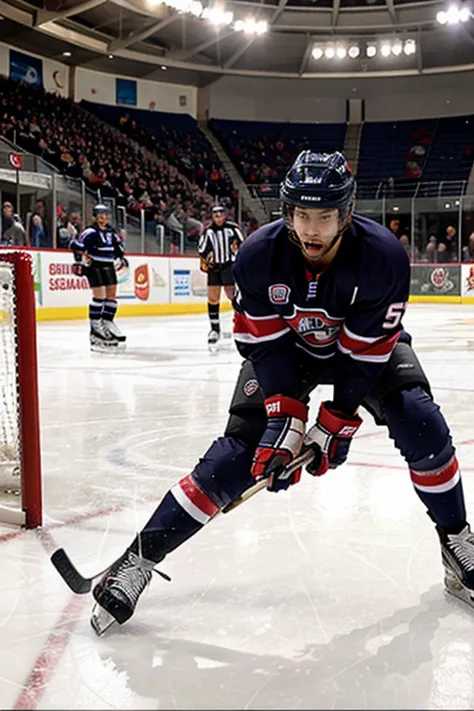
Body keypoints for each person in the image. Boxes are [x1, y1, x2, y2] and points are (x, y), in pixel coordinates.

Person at [89, 151, 474, 636]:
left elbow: (366, 354)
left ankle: (456, 538)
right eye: (302, 215)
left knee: (420, 420)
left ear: (346, 213)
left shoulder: (383, 257)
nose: (312, 229)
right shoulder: (256, 256)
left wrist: (336, 418)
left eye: (325, 216)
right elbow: (265, 348)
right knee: (235, 456)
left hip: (361, 357)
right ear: (287, 212)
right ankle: (137, 559)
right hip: (285, 359)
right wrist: (282, 417)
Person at [70, 204, 128, 350]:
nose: (103, 218)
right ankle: (95, 328)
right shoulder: (90, 232)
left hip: (109, 265)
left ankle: (108, 322)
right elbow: (78, 246)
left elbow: (118, 247)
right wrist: (78, 261)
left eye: (105, 215)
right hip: (94, 266)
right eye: (100, 215)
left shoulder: (111, 232)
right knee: (99, 296)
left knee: (111, 296)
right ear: (94, 217)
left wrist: (121, 257)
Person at [198, 205, 244, 347]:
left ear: (225, 215)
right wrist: (207, 257)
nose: (218, 217)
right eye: (215, 215)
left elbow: (243, 244)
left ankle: (241, 323)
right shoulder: (208, 231)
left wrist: (237, 254)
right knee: (213, 298)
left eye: (220, 214)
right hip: (214, 267)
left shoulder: (233, 228)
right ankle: (215, 329)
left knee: (232, 295)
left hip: (228, 265)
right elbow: (201, 248)